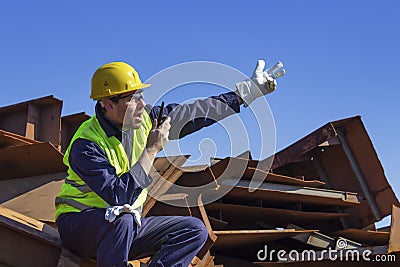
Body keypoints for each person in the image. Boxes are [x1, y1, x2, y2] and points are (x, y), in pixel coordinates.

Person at [55, 60, 284, 267]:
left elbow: (195, 113)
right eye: (132, 99)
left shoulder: (145, 120)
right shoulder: (87, 144)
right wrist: (151, 150)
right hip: (80, 227)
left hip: (125, 228)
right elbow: (119, 196)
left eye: (140, 96)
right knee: (121, 218)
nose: (141, 105)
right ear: (108, 104)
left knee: (194, 231)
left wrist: (246, 93)